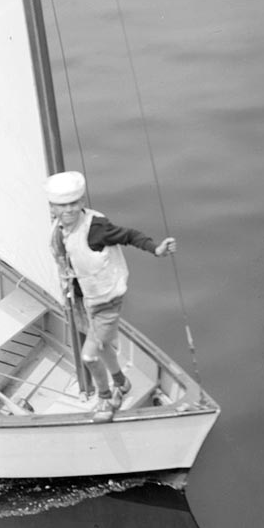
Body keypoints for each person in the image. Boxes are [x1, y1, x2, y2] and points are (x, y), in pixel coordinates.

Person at [45, 171, 176, 423]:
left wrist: (156, 249)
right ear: (53, 208)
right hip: (81, 300)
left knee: (89, 356)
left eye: (74, 203)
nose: (69, 210)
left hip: (105, 302)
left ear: (82, 202)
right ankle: (121, 383)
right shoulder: (58, 228)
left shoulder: (96, 228)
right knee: (103, 347)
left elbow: (129, 235)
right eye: (63, 205)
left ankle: (104, 397)